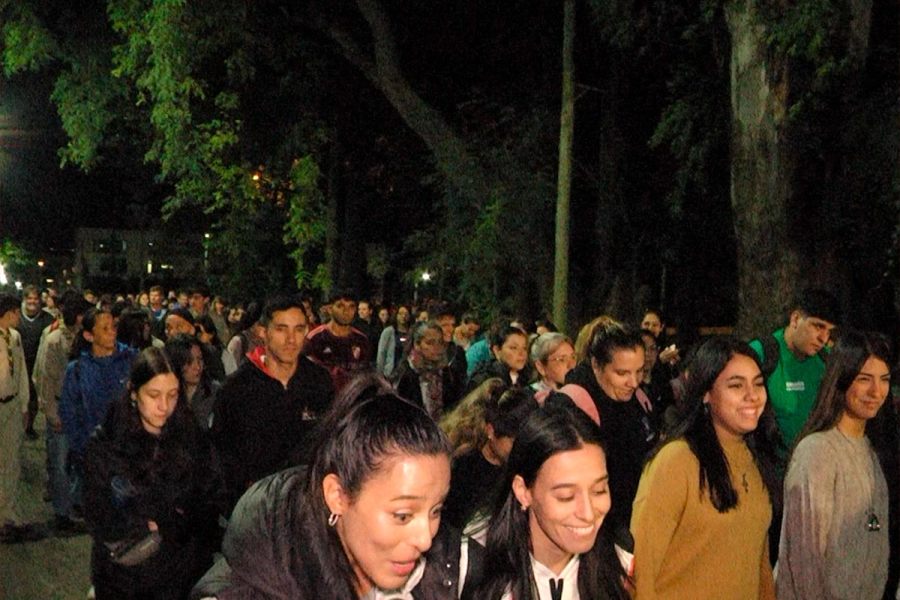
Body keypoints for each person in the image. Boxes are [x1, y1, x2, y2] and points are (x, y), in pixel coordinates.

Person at [192, 376, 483, 599]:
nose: (425, 539)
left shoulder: (457, 568)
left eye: (435, 511)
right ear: (337, 496)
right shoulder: (254, 581)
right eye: (403, 515)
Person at [630, 336, 780, 599]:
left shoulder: (756, 459)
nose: (752, 396)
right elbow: (641, 569)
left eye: (758, 384)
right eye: (736, 385)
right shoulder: (676, 460)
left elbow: (759, 565)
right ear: (706, 393)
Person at [84, 347, 223, 599]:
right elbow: (98, 512)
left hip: (180, 576)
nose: (164, 406)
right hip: (123, 579)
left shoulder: (192, 438)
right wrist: (142, 519)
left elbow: (209, 499)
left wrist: (171, 521)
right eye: (154, 395)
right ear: (133, 392)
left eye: (172, 395)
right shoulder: (107, 443)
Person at [473, 401, 630, 600]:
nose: (588, 513)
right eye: (566, 496)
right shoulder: (471, 567)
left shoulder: (621, 563)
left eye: (599, 491)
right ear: (523, 491)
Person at [776, 330, 892, 599]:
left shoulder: (872, 452)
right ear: (841, 379)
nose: (876, 391)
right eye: (864, 379)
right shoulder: (817, 452)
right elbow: (804, 560)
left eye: (884, 379)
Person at [211, 295, 334, 514]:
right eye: (281, 329)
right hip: (255, 510)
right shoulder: (236, 390)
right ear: (262, 332)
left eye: (299, 329)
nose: (291, 339)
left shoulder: (319, 382)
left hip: (308, 508)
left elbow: (331, 444)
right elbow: (222, 457)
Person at [565, 321, 657, 535]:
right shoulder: (571, 407)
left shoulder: (639, 400)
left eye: (640, 371)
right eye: (622, 373)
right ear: (596, 365)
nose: (633, 382)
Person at [59, 307, 136, 522]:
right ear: (89, 335)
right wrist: (84, 449)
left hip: (128, 456)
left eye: (113, 326)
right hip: (94, 459)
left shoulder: (132, 361)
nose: (112, 332)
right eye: (104, 328)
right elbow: (69, 413)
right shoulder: (77, 370)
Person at [440, 379, 538, 539]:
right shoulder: (461, 469)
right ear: (491, 431)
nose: (520, 450)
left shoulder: (525, 469)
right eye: (513, 442)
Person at [748, 288, 840, 451]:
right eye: (818, 326)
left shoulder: (827, 360)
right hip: (769, 460)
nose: (823, 339)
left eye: (829, 332)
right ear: (795, 319)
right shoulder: (761, 354)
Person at [34, 290, 91, 535]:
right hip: (61, 406)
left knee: (78, 461)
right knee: (60, 463)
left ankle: (74, 501)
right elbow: (44, 378)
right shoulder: (55, 339)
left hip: (80, 409)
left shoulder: (84, 338)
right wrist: (51, 414)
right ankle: (62, 512)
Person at [0, 294, 46, 543]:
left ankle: (9, 513)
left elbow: (21, 373)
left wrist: (25, 405)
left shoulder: (14, 338)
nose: (19, 317)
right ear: (9, 313)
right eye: (16, 312)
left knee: (11, 461)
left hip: (12, 404)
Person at [394, 321, 465, 420]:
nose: (437, 347)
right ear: (417, 344)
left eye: (440, 342)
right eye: (430, 343)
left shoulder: (448, 373)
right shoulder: (405, 374)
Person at [303, 289, 371, 391]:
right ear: (330, 309)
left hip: (351, 397)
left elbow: (364, 375)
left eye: (351, 306)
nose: (346, 311)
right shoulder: (315, 338)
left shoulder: (361, 340)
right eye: (340, 306)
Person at [19, 284, 56, 439]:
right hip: (19, 364)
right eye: (30, 298)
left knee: (33, 397)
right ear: (24, 299)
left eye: (36, 299)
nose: (33, 302)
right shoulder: (17, 318)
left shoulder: (47, 319)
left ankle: (29, 426)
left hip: (38, 363)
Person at [166, 334, 219, 431]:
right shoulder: (168, 395)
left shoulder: (215, 393)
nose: (197, 367)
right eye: (189, 362)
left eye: (200, 359)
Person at [466, 324, 532, 394]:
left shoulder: (528, 377)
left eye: (524, 348)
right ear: (497, 350)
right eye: (514, 348)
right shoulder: (484, 380)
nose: (521, 353)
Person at [376, 304, 411, 378]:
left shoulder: (411, 332)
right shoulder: (389, 331)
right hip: (390, 372)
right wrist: (380, 373)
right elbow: (381, 352)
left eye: (406, 314)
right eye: (401, 313)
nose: (403, 316)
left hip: (406, 373)